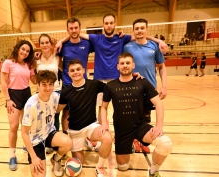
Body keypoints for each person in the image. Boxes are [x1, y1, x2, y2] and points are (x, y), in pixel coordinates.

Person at [56, 14, 167, 149]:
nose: (108, 25)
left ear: (115, 25)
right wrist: (61, 40)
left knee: (122, 109)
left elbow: (140, 37)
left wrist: (158, 41)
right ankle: (99, 137)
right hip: (100, 79)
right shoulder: (96, 38)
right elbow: (75, 34)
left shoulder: (122, 38)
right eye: (106, 23)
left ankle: (130, 136)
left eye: (111, 23)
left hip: (116, 79)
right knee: (100, 109)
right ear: (103, 25)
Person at [100, 52, 173, 177]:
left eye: (128, 63)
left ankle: (153, 172)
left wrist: (159, 126)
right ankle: (130, 145)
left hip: (141, 126)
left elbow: (158, 104)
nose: (125, 66)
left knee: (165, 143)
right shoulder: (110, 86)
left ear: (133, 65)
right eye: (122, 63)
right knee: (123, 167)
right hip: (121, 130)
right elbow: (103, 107)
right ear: (117, 66)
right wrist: (104, 123)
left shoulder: (142, 82)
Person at [57, 59, 112, 177]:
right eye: (72, 70)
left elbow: (112, 86)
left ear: (83, 70)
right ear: (68, 73)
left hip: (91, 126)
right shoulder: (66, 91)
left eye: (78, 69)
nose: (75, 72)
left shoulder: (93, 85)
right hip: (75, 130)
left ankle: (100, 168)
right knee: (78, 162)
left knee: (108, 138)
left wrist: (134, 76)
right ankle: (86, 141)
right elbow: (57, 110)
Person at [124, 18, 167, 153]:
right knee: (132, 116)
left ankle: (143, 140)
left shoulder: (154, 47)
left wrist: (164, 86)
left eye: (142, 28)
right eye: (137, 28)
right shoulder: (127, 46)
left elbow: (162, 67)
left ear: (147, 29)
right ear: (133, 31)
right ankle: (134, 140)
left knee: (146, 117)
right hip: (132, 88)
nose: (139, 31)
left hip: (149, 88)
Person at [21, 70, 72, 177]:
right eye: (44, 84)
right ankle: (37, 156)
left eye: (50, 84)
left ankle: (55, 159)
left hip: (49, 133)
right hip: (35, 141)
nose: (48, 88)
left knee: (68, 142)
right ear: (38, 85)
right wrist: (34, 157)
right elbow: (24, 134)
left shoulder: (55, 97)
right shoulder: (31, 105)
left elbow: (59, 108)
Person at [56, 17, 98, 149]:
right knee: (66, 112)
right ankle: (66, 137)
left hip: (84, 85)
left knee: (83, 112)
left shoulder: (87, 44)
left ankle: (85, 137)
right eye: (71, 28)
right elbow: (59, 63)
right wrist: (68, 73)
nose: (74, 30)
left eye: (76, 28)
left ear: (80, 28)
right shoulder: (63, 46)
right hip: (68, 84)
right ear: (67, 30)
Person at [0, 40, 37, 171]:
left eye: (27, 51)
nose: (25, 52)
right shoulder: (8, 63)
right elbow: (3, 82)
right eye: (23, 49)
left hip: (26, 94)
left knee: (26, 125)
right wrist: (8, 99)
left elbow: (34, 80)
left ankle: (26, 145)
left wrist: (37, 66)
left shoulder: (28, 64)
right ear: (17, 48)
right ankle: (12, 155)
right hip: (13, 95)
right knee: (14, 126)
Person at [35, 33, 63, 153]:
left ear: (51, 44)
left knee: (55, 116)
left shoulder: (57, 58)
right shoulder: (35, 59)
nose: (45, 45)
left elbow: (63, 71)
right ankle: (43, 140)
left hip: (55, 90)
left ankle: (54, 142)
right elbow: (33, 76)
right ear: (39, 45)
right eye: (42, 43)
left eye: (47, 42)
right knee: (42, 117)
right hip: (41, 92)